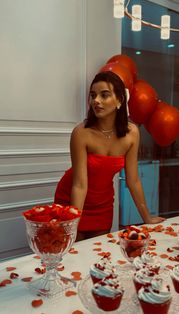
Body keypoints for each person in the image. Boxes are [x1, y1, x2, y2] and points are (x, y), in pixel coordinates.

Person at [54, 71, 165, 240]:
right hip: (72, 201)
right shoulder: (81, 133)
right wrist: (72, 225)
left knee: (96, 255)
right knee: (73, 255)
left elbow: (133, 180)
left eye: (104, 95)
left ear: (120, 100)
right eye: (93, 95)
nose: (96, 101)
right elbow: (79, 185)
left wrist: (147, 217)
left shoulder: (131, 133)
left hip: (102, 206)